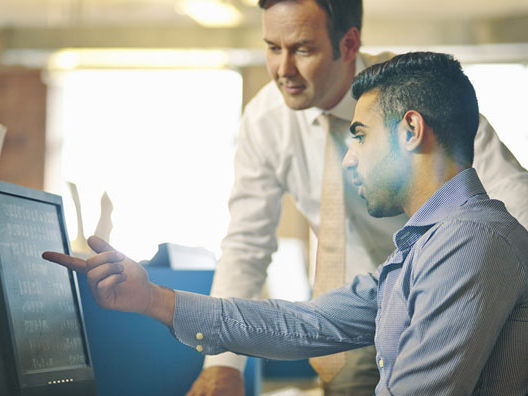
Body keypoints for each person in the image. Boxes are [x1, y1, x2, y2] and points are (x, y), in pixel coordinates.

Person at [43, 51, 528, 396]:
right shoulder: (425, 246)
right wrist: (152, 298)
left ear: (411, 130)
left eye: (359, 136)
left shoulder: (472, 243)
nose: (349, 157)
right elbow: (305, 324)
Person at [189, 0, 528, 394]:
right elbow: (246, 243)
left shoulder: (418, 97)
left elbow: (511, 204)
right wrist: (223, 363)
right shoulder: (266, 119)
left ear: (348, 44)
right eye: (272, 47)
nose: (283, 70)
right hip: (358, 306)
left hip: (443, 288)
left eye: (303, 49)